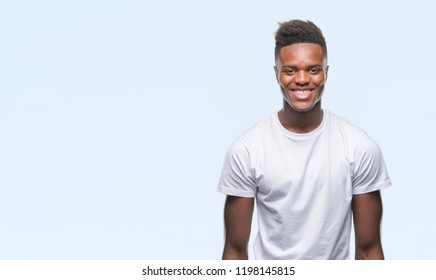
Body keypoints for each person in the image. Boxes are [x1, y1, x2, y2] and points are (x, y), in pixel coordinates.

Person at [217, 20, 391, 260]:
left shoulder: (359, 147)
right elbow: (235, 252)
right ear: (277, 73)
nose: (301, 79)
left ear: (326, 72)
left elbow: (369, 250)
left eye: (313, 69)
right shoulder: (246, 150)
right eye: (290, 70)